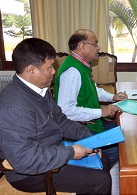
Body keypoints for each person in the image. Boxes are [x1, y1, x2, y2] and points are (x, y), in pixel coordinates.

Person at [0, 38, 112, 194]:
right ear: (31, 70)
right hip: (29, 173)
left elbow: (61, 121)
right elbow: (26, 160)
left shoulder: (40, 89)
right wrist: (71, 152)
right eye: (50, 67)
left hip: (51, 152)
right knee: (100, 180)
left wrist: (89, 140)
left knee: (103, 160)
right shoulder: (13, 106)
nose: (54, 71)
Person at [54, 29, 127, 167]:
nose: (98, 47)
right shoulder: (73, 71)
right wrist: (101, 112)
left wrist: (113, 97)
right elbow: (66, 110)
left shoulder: (81, 65)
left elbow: (93, 90)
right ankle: (97, 177)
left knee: (123, 130)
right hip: (79, 126)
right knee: (115, 149)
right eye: (95, 44)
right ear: (82, 46)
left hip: (91, 120)